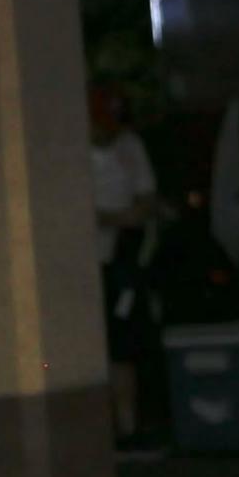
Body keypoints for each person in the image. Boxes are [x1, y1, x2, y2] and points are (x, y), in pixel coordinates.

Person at [89, 85, 159, 449]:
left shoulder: (130, 146)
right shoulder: (71, 149)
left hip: (122, 255)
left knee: (123, 343)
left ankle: (127, 426)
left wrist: (112, 218)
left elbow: (145, 203)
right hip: (84, 260)